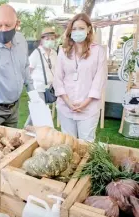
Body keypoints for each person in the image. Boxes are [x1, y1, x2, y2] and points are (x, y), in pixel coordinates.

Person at [53, 13, 107, 142]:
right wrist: (67, 102)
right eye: (74, 29)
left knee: (86, 143)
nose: (77, 32)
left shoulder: (98, 51)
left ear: (88, 29)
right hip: (66, 106)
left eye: (81, 28)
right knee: (68, 143)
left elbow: (99, 80)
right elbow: (58, 79)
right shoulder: (63, 50)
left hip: (88, 108)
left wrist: (84, 103)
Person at [24, 27, 58, 127]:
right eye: (47, 39)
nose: (50, 41)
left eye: (52, 39)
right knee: (39, 111)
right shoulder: (36, 53)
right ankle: (26, 130)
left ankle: (28, 131)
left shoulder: (54, 53)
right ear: (41, 40)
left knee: (37, 113)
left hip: (49, 88)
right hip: (37, 87)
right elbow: (28, 70)